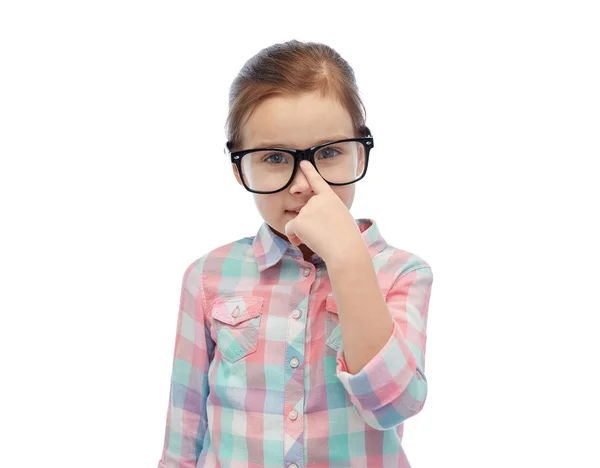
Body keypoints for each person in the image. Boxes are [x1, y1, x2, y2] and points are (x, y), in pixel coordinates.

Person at [156, 39, 434, 468]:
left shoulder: (401, 273)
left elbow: (393, 406)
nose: (304, 183)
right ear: (238, 168)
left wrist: (348, 261)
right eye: (273, 157)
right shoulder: (208, 276)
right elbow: (185, 428)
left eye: (328, 153)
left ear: (360, 149)